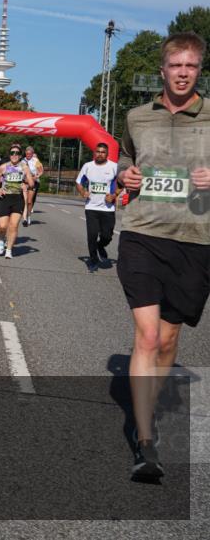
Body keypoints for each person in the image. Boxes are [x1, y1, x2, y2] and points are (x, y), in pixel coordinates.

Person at [115, 32, 209, 479]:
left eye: (191, 66)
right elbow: (123, 160)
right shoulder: (137, 117)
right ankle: (145, 438)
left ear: (200, 70)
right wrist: (126, 175)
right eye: (176, 65)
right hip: (142, 236)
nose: (183, 73)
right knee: (148, 338)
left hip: (195, 240)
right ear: (163, 69)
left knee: (169, 342)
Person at [75, 142, 121, 272]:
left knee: (107, 235)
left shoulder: (114, 167)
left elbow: (121, 184)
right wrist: (83, 192)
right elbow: (79, 182)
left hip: (108, 208)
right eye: (98, 151)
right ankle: (93, 260)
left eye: (103, 152)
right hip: (91, 207)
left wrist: (113, 195)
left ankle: (101, 246)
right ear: (94, 153)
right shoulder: (88, 166)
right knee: (92, 235)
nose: (100, 154)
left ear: (107, 154)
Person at [0, 145, 34, 259]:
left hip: (17, 199)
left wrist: (26, 183)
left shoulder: (24, 167)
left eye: (17, 153)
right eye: (12, 153)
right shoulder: (4, 166)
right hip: (4, 199)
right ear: (9, 154)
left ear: (20, 155)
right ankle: (1, 241)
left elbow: (31, 183)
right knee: (2, 226)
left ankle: (9, 250)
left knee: (13, 226)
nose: (14, 155)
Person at [22, 145, 44, 226]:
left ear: (32, 154)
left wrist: (36, 177)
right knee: (24, 201)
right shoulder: (22, 161)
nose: (28, 155)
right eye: (27, 154)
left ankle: (28, 216)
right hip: (24, 182)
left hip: (33, 183)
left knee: (29, 201)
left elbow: (41, 171)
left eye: (30, 154)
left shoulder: (35, 161)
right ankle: (24, 218)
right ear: (25, 153)